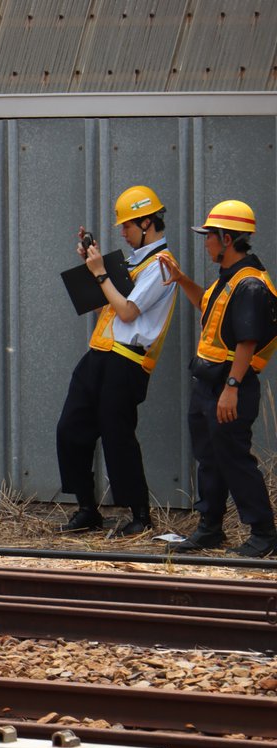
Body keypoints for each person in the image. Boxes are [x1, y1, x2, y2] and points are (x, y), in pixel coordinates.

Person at [55, 185, 179, 537]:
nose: (122, 232)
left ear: (147, 222)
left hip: (126, 362)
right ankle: (87, 509)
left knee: (117, 436)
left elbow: (127, 311)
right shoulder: (131, 262)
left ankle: (140, 515)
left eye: (127, 225)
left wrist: (100, 274)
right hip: (99, 354)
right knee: (70, 428)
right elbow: (104, 305)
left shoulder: (162, 265)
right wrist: (91, 266)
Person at [161, 200, 277, 558]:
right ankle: (210, 528)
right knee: (209, 458)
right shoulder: (229, 280)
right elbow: (208, 305)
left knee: (233, 459)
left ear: (227, 239)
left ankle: (264, 534)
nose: (206, 242)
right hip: (208, 385)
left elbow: (247, 341)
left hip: (229, 386)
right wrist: (181, 280)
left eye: (209, 236)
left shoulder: (251, 285)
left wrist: (231, 388)